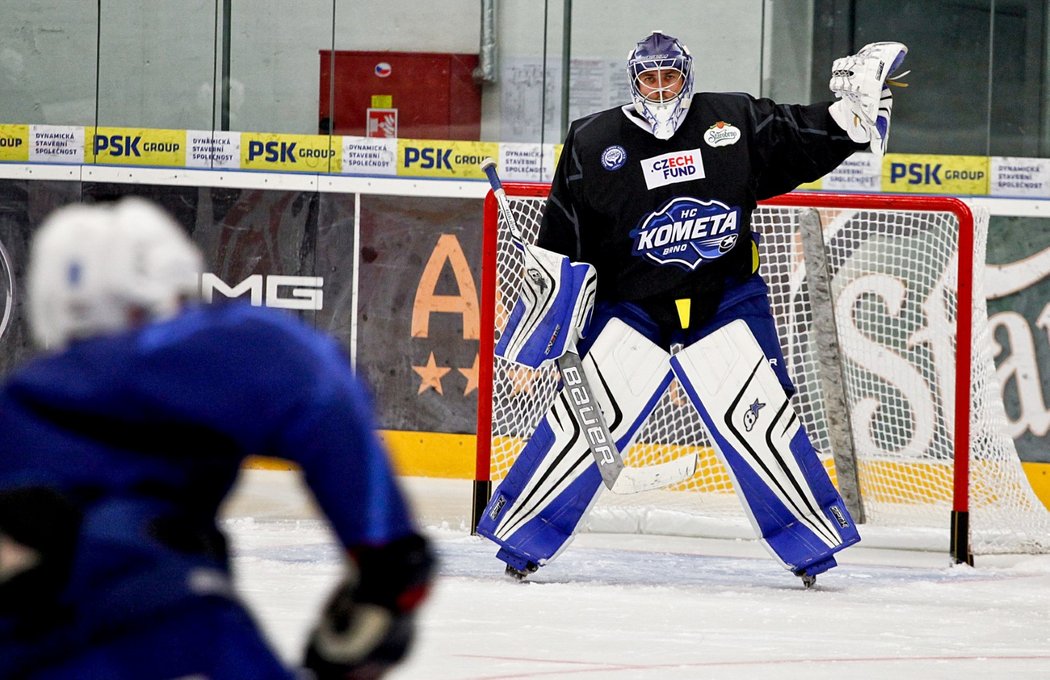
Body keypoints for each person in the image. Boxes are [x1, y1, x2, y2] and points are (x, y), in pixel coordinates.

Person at [477, 31, 909, 585]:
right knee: (583, 427)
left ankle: (809, 550)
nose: (659, 90)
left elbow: (797, 138)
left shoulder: (732, 120)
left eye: (669, 77)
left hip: (723, 300)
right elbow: (564, 241)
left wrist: (848, 120)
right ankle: (520, 541)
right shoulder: (593, 141)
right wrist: (548, 325)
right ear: (633, 82)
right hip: (633, 307)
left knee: (763, 426)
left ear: (687, 76)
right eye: (648, 79)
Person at [0, 198, 434, 679]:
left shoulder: (17, 403)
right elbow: (319, 390)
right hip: (172, 626)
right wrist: (387, 567)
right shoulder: (183, 346)